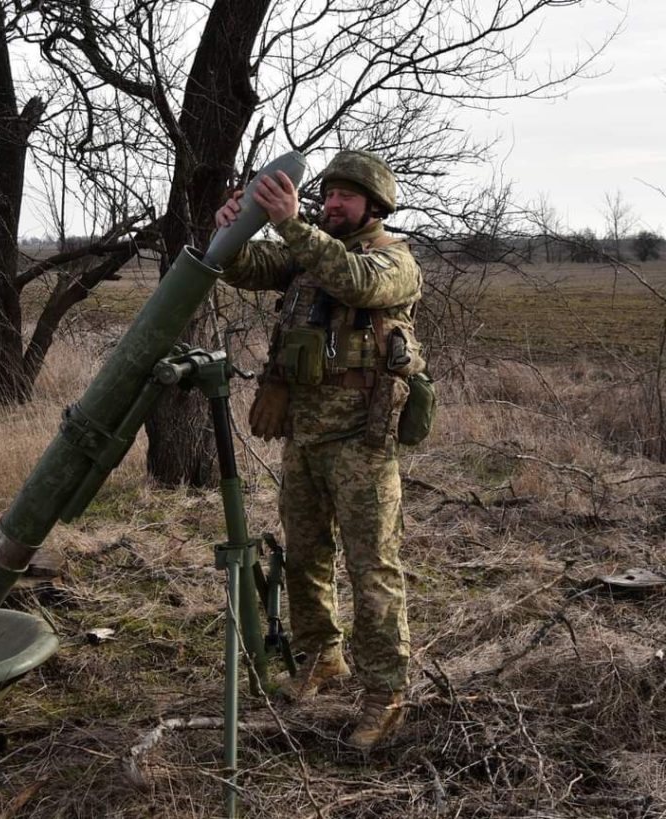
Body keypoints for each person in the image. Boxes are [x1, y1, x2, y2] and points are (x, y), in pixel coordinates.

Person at [214, 150, 425, 751]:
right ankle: (321, 658)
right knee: (306, 555)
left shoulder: (394, 261)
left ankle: (385, 694)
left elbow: (355, 282)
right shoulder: (307, 253)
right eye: (327, 194)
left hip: (362, 442)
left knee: (372, 568)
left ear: (374, 207)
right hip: (303, 434)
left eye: (346, 197)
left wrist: (289, 223)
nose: (332, 203)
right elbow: (246, 267)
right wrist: (228, 228)